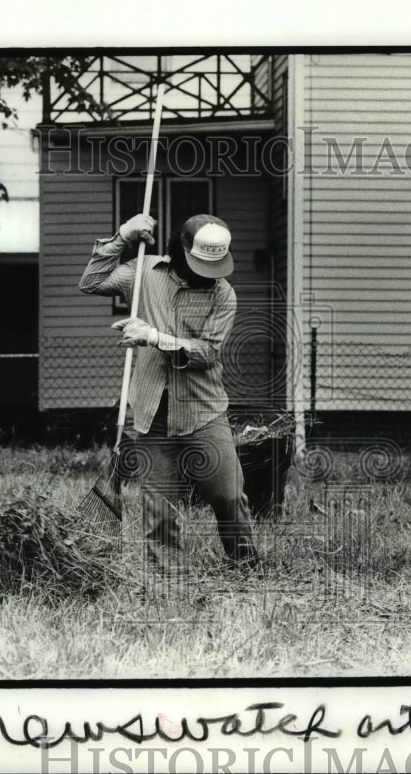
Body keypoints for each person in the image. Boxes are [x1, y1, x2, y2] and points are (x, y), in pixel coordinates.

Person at [78, 212, 259, 569]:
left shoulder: (224, 295)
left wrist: (154, 337)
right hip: (151, 413)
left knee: (227, 495)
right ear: (180, 251)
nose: (207, 275)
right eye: (198, 265)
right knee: (159, 507)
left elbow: (207, 354)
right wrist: (122, 237)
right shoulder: (145, 272)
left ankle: (246, 565)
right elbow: (91, 282)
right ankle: (167, 578)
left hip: (203, 411)